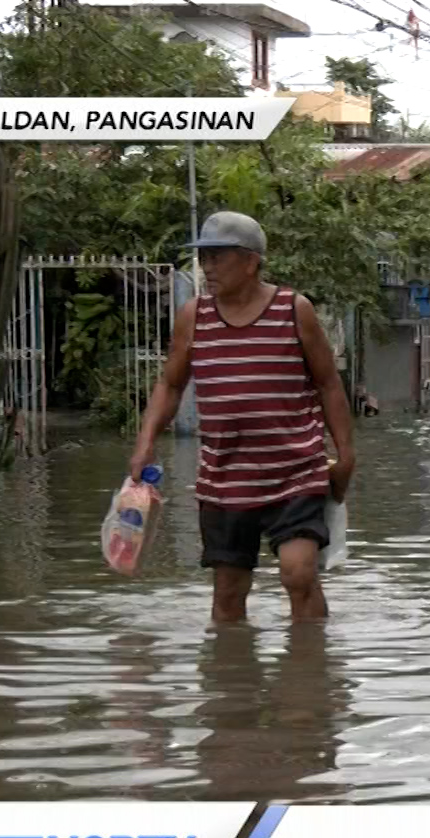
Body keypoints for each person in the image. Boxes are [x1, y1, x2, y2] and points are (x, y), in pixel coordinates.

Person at [127, 211, 356, 625]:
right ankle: (232, 682)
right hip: (225, 479)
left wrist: (345, 455)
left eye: (217, 257)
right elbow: (171, 385)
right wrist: (145, 444)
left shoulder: (293, 309)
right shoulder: (194, 317)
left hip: (295, 471)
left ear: (250, 261)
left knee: (298, 573)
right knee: (229, 593)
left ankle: (312, 675)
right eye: (203, 258)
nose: (207, 268)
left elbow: (328, 384)